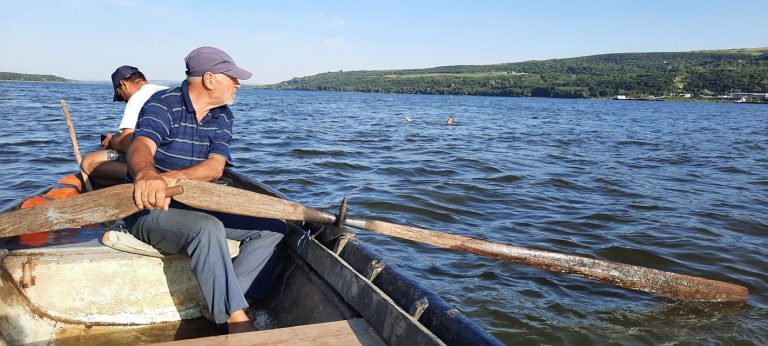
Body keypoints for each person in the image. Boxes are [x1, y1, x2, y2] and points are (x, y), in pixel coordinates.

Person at [125, 47, 285, 334]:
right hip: (150, 207)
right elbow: (141, 145)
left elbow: (215, 167)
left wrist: (175, 177)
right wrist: (148, 174)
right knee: (207, 228)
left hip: (196, 201)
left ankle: (222, 303)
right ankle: (237, 321)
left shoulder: (222, 116)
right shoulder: (164, 104)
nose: (238, 84)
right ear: (209, 79)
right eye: (233, 78)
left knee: (273, 227)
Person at [80, 66, 167, 186]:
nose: (125, 101)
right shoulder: (168, 91)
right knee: (100, 179)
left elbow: (126, 144)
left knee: (89, 162)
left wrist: (111, 143)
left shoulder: (138, 97)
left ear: (123, 84)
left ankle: (153, 178)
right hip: (171, 155)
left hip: (154, 161)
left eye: (121, 95)